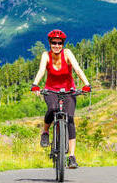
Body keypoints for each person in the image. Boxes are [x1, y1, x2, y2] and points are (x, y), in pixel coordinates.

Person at [31, 29, 91, 169]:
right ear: (50, 43)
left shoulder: (67, 53)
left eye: (59, 43)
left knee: (70, 119)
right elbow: (41, 71)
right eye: (53, 43)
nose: (56, 45)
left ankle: (71, 156)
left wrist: (86, 84)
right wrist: (35, 84)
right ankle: (45, 132)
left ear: (63, 44)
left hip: (69, 90)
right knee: (52, 108)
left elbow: (77, 69)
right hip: (51, 90)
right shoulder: (46, 55)